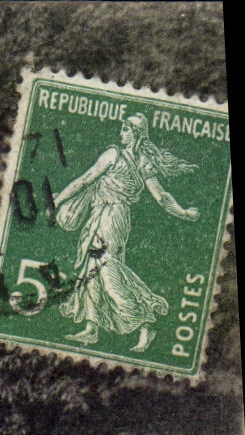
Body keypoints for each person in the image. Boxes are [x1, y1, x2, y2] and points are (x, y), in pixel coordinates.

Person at [53, 112, 199, 353]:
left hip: (110, 218)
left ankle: (145, 322)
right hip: (113, 217)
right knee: (93, 271)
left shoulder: (114, 155)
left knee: (106, 272)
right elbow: (162, 197)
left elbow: (85, 179)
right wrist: (183, 213)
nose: (121, 133)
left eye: (125, 129)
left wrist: (57, 201)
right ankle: (92, 328)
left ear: (136, 134)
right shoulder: (144, 162)